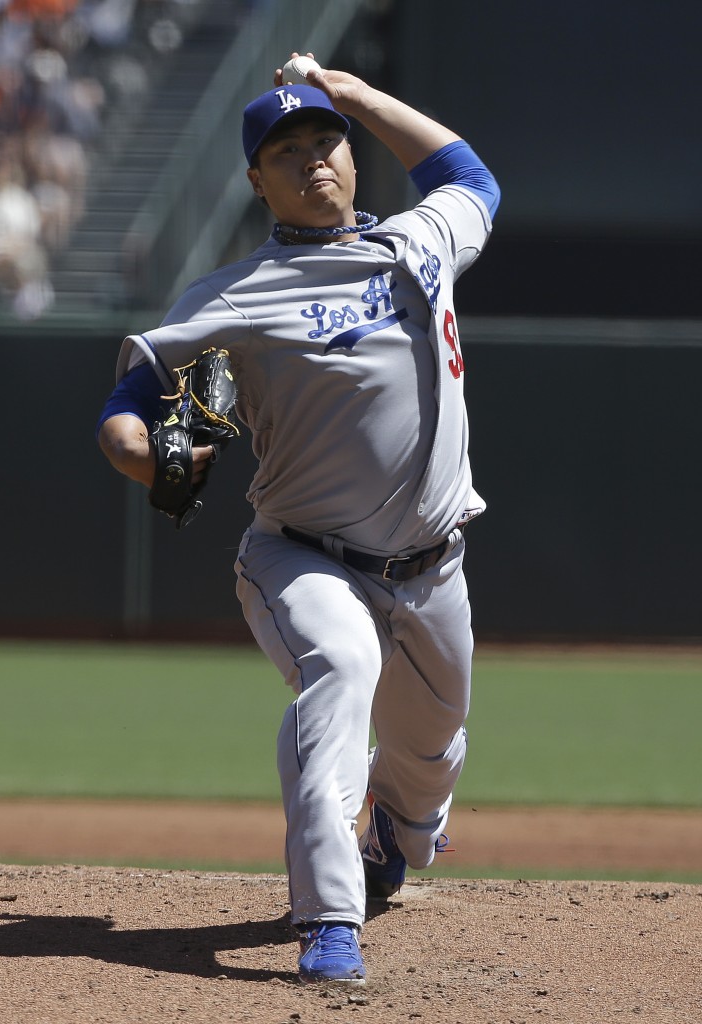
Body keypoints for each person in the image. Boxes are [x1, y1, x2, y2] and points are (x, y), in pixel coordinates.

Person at [97, 54, 500, 985]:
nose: (313, 159)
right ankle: (330, 923)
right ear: (256, 179)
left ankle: (396, 832)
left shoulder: (423, 238)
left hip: (435, 567)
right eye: (288, 151)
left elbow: (470, 176)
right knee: (342, 671)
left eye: (326, 141)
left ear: (353, 156)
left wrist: (353, 92)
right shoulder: (237, 290)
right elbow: (127, 399)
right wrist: (137, 452)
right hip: (303, 559)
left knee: (429, 755)